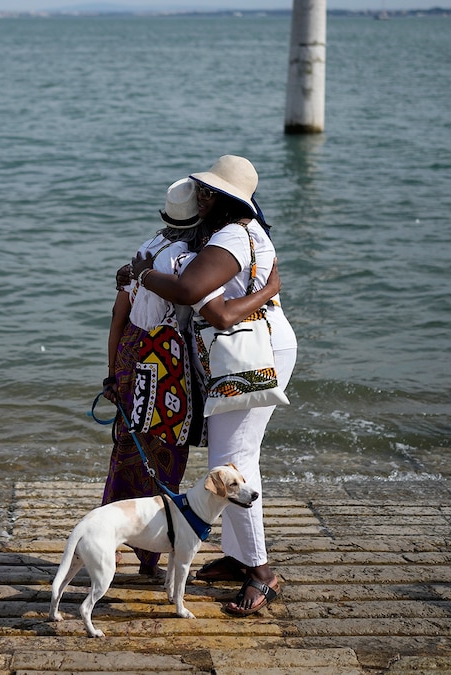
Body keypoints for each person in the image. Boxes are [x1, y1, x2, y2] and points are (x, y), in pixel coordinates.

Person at [131, 155, 298, 616]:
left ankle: (262, 574)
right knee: (234, 455)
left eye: (206, 191)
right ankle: (240, 558)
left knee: (233, 461)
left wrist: (142, 273)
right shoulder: (243, 232)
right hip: (252, 346)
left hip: (252, 351)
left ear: (223, 199)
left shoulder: (229, 237)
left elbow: (190, 293)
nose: (200, 196)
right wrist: (269, 289)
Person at [102, 177, 281, 578]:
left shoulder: (145, 251)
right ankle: (155, 553)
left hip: (133, 356)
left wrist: (112, 372)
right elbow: (207, 309)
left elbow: (118, 313)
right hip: (168, 365)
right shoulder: (186, 257)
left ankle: (112, 537)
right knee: (166, 457)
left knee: (128, 449)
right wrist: (271, 288)